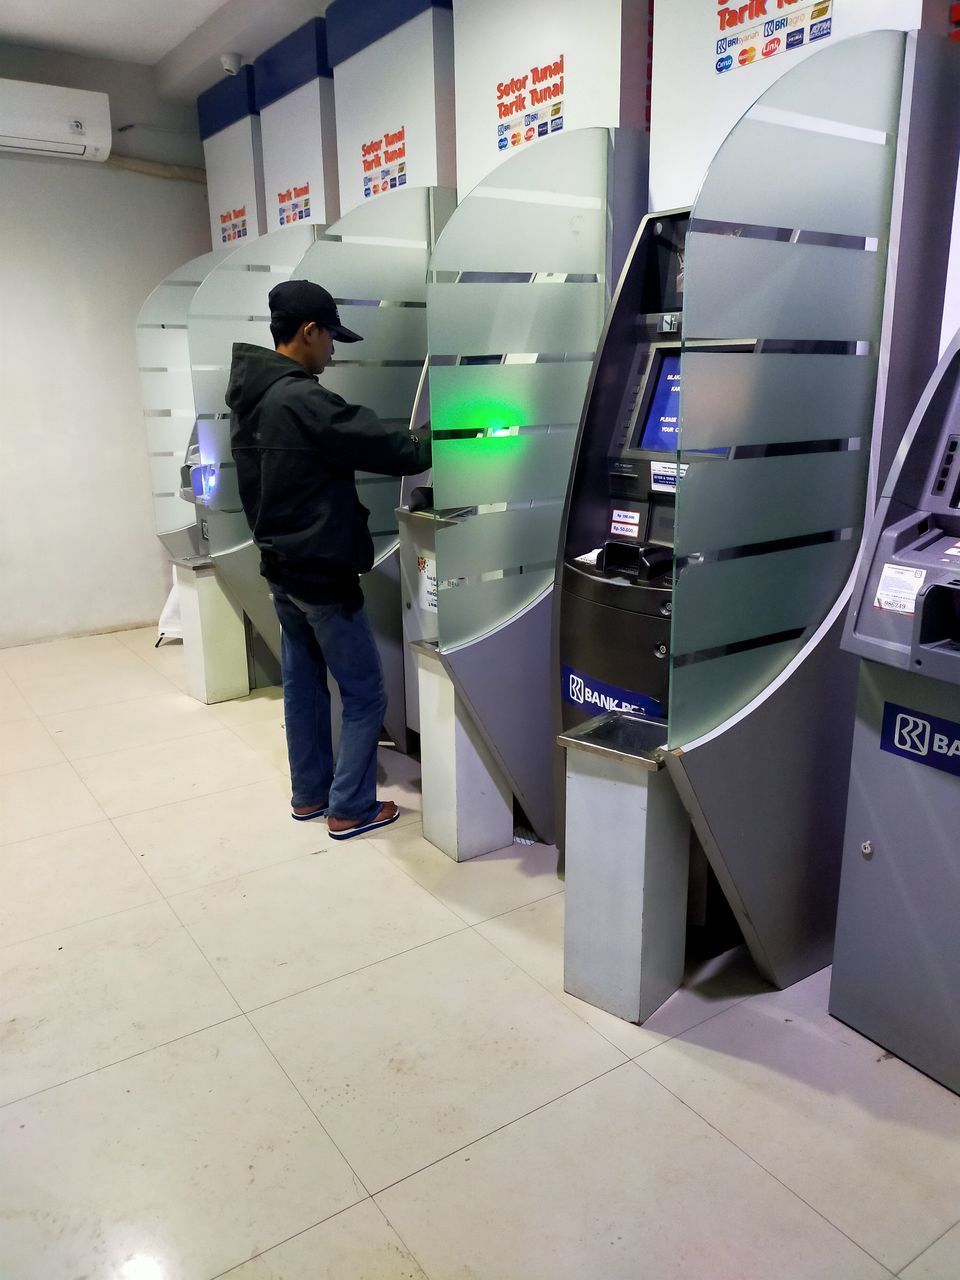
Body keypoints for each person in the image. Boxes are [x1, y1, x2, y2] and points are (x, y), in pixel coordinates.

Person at [226, 280, 431, 840]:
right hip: (321, 573)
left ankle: (310, 795)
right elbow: (391, 450)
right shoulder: (303, 399)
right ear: (309, 332)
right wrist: (456, 432)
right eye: (331, 339)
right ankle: (350, 808)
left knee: (304, 686)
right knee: (367, 694)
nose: (334, 352)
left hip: (281, 569)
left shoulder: (249, 399)